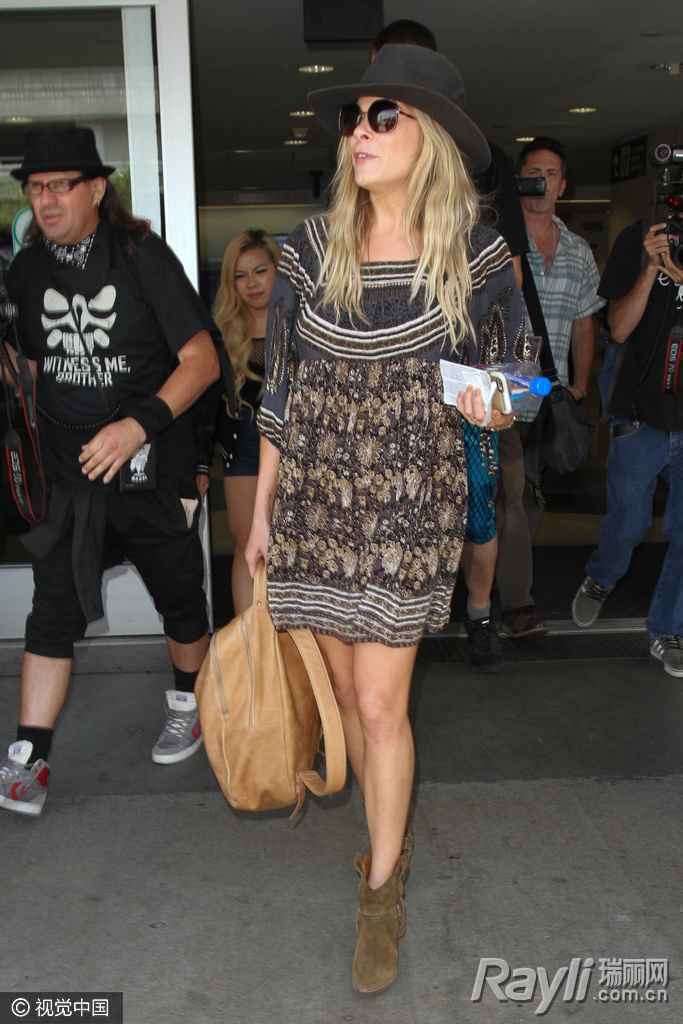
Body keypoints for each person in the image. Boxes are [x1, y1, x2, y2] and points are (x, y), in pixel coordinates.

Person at [245, 45, 525, 993]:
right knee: (344, 698)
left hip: (411, 502)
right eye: (351, 117)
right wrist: (262, 512)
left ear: (430, 135)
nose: (357, 132)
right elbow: (281, 392)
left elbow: (523, 380)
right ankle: (385, 837)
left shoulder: (477, 257)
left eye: (381, 115)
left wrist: (487, 400)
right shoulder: (306, 249)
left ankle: (380, 891)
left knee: (378, 705)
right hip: (316, 499)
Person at [0, 127, 220, 818]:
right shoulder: (26, 270)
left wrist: (135, 426)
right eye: (35, 188)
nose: (45, 200)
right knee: (50, 612)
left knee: (180, 599)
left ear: (97, 188)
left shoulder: (140, 255)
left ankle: (187, 704)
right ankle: (29, 757)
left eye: (60, 186)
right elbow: (28, 365)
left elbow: (202, 361)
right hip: (70, 478)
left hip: (148, 467)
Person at [370, 19, 529, 671]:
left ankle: (479, 614)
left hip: (463, 380)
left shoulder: (481, 166)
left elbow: (511, 287)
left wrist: (509, 390)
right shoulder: (362, 174)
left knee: (479, 513)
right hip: (380, 398)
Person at [496, 136, 604, 638]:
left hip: (549, 393)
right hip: (504, 391)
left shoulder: (578, 250)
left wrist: (580, 383)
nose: (541, 182)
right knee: (511, 497)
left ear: (563, 185)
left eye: (550, 174)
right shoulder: (497, 244)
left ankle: (501, 587)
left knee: (529, 498)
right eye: (532, 173)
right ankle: (515, 604)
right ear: (518, 181)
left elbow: (585, 321)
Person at [572, 220, 683, 675]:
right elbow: (617, 329)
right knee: (628, 523)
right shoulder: (642, 237)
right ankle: (602, 577)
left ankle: (668, 628)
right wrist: (651, 269)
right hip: (641, 415)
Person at [210, 229, 280, 614]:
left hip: (297, 451)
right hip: (243, 452)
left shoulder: (302, 330)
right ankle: (249, 640)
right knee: (247, 546)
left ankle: (291, 642)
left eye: (260, 271)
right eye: (240, 275)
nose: (251, 283)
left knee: (294, 550)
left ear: (278, 272)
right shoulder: (223, 335)